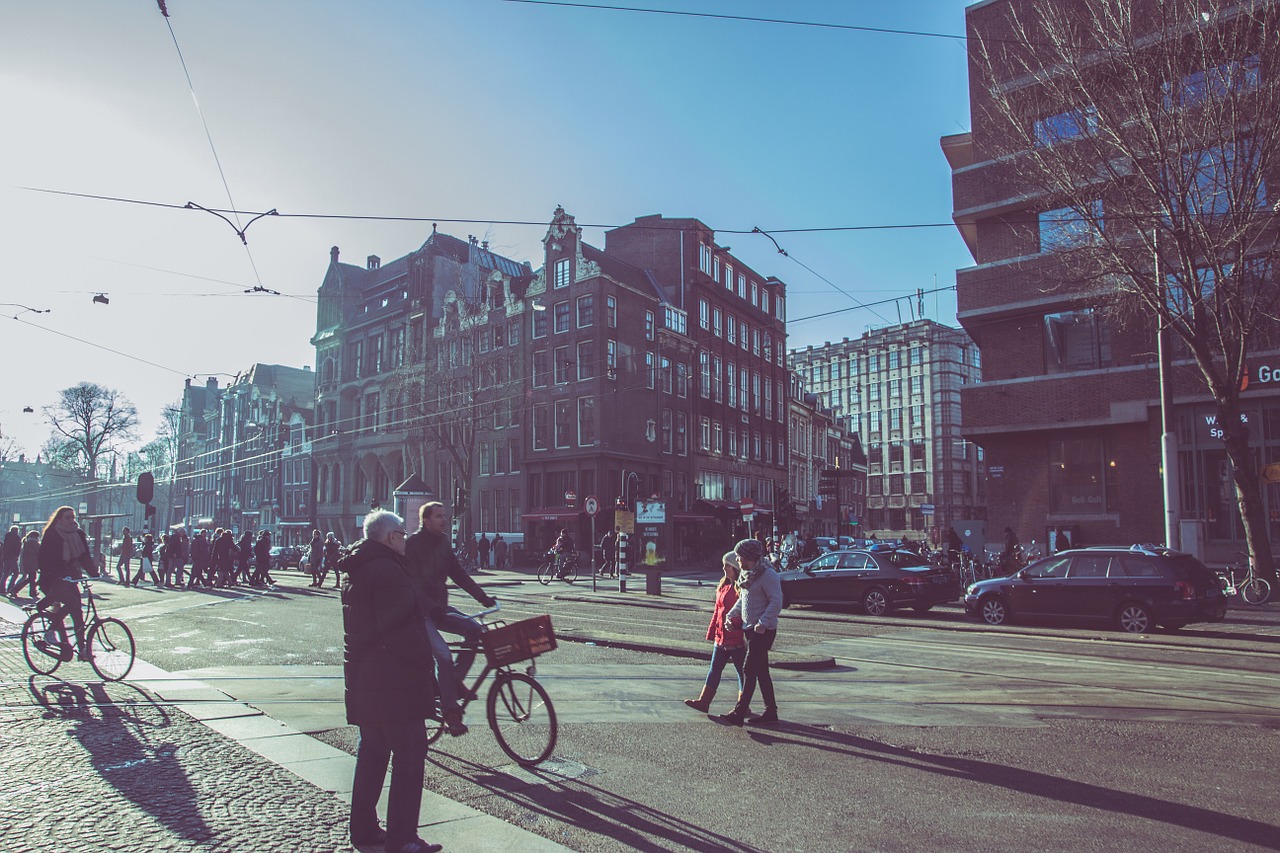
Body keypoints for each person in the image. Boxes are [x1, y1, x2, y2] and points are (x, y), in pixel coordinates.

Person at [340, 509, 442, 853]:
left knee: (372, 753)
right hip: (394, 682)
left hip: (365, 680)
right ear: (389, 538)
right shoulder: (388, 570)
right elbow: (400, 630)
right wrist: (427, 662)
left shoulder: (358, 568)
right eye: (401, 532)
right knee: (411, 752)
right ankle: (403, 838)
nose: (405, 537)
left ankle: (364, 830)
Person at [403, 501, 496, 738]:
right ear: (425, 520)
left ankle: (453, 681)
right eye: (438, 516)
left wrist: (483, 598)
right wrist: (430, 608)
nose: (444, 520)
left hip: (440, 608)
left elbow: (459, 574)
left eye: (445, 516)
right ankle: (451, 713)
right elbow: (411, 583)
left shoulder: (443, 543)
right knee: (443, 657)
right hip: (420, 613)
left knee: (475, 630)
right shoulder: (412, 545)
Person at [717, 538, 783, 726]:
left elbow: (776, 602)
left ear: (748, 557)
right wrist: (731, 615)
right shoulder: (748, 574)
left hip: (763, 631)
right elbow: (744, 599)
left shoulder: (768, 575)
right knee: (762, 671)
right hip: (750, 628)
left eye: (738, 556)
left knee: (749, 669)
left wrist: (763, 622)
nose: (736, 560)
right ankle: (771, 711)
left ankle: (738, 713)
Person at [683, 551, 746, 714]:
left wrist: (736, 626)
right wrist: (712, 633)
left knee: (742, 672)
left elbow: (746, 614)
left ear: (735, 568)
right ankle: (704, 701)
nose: (723, 568)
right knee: (714, 669)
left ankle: (743, 705)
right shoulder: (723, 587)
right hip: (721, 637)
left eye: (726, 565)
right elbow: (717, 612)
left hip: (736, 638)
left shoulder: (742, 589)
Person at [35, 506, 100, 661]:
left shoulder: (78, 534)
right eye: (67, 517)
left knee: (78, 612)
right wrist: (54, 574)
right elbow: (43, 558)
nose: (71, 520)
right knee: (72, 602)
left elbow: (84, 556)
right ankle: (50, 631)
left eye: (73, 517)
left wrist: (94, 573)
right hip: (52, 578)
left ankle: (82, 649)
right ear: (59, 519)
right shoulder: (52, 534)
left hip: (70, 577)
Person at [12, 529, 41, 599]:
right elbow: (39, 552)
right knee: (31, 578)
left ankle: (32, 592)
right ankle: (16, 589)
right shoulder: (34, 543)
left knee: (31, 578)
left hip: (28, 563)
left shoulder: (27, 542)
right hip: (33, 563)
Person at [2, 525, 22, 594]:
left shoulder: (7, 537)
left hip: (6, 557)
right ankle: (10, 587)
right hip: (13, 557)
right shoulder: (17, 538)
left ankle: (2, 588)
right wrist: (16, 556)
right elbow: (18, 548)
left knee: (5, 573)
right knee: (16, 573)